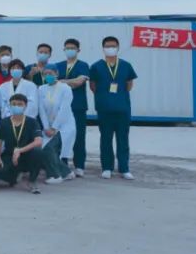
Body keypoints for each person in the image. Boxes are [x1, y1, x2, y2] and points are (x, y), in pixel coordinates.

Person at [89, 36, 137, 180]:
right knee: (106, 139)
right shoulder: (96, 66)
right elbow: (93, 86)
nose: (111, 48)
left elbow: (129, 85)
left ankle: (124, 168)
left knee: (123, 139)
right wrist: (105, 97)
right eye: (108, 46)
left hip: (123, 109)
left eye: (113, 46)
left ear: (118, 47)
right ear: (103, 48)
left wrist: (118, 97)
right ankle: (107, 168)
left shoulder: (126, 65)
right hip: (104, 109)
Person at [0, 94, 43, 194]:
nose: (16, 106)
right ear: (10, 105)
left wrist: (20, 150)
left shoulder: (32, 122)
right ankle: (14, 177)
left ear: (26, 106)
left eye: (20, 104)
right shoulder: (4, 122)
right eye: (14, 104)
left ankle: (32, 180)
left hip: (27, 155)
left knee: (38, 151)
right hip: (9, 155)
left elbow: (39, 141)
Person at [57, 38, 91, 177]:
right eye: (67, 48)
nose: (70, 50)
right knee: (62, 136)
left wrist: (61, 81)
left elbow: (79, 82)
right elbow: (54, 82)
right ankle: (62, 163)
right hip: (61, 107)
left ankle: (79, 165)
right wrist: (71, 81)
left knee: (79, 136)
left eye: (72, 48)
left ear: (78, 50)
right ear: (64, 50)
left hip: (78, 106)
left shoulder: (83, 65)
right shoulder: (58, 65)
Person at [38, 64, 76, 183]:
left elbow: (64, 109)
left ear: (56, 74)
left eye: (50, 73)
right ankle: (66, 172)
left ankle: (55, 176)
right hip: (48, 127)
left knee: (48, 149)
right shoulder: (41, 89)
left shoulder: (65, 88)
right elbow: (41, 110)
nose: (48, 76)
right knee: (42, 148)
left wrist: (54, 128)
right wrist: (46, 127)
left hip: (64, 127)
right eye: (45, 74)